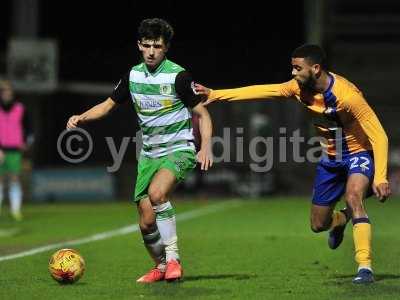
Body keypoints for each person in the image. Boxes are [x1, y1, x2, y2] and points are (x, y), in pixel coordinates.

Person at [195, 44, 390, 284]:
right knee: (318, 224)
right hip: (330, 158)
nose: (293, 73)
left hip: (359, 152)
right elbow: (262, 90)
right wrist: (215, 94)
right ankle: (340, 220)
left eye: (298, 68)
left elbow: (379, 136)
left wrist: (380, 176)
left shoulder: (348, 96)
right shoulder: (297, 89)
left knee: (353, 196)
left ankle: (364, 267)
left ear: (315, 68)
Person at [66, 18, 213, 283]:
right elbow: (108, 105)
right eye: (147, 45)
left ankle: (173, 260)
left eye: (157, 46)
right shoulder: (132, 76)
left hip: (179, 149)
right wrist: (81, 116)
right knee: (146, 221)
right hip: (150, 155)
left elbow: (203, 114)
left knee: (157, 194)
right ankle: (159, 266)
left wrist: (206, 147)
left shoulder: (178, 76)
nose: (151, 51)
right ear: (139, 45)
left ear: (166, 47)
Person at [0, 80, 33, 221]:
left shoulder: (20, 109)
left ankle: (16, 210)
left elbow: (30, 129)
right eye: (4, 92)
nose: (7, 94)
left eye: (9, 92)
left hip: (14, 150)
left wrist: (27, 142)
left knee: (14, 178)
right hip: (0, 150)